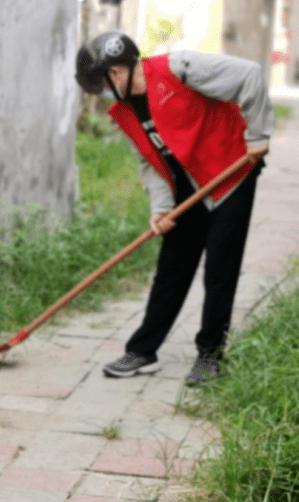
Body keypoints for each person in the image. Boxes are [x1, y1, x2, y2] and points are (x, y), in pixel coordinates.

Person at [75, 30, 275, 382]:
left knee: (219, 268)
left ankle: (209, 355)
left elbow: (250, 75)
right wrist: (161, 208)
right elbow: (149, 161)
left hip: (231, 172)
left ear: (118, 72)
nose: (101, 90)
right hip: (189, 186)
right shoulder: (124, 112)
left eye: (100, 81)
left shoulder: (180, 68)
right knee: (172, 267)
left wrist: (258, 135)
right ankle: (142, 351)